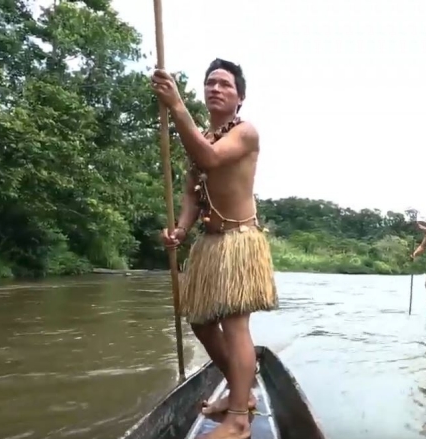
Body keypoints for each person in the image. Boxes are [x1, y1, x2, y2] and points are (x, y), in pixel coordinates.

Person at [153, 58, 278, 439]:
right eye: (210, 83)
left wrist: (176, 106)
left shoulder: (245, 133)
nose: (215, 88)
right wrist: (180, 229)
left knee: (235, 325)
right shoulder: (202, 137)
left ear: (240, 97)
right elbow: (193, 193)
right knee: (201, 322)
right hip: (209, 243)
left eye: (225, 84)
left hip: (240, 242)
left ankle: (239, 420)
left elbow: (210, 160)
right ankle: (242, 392)